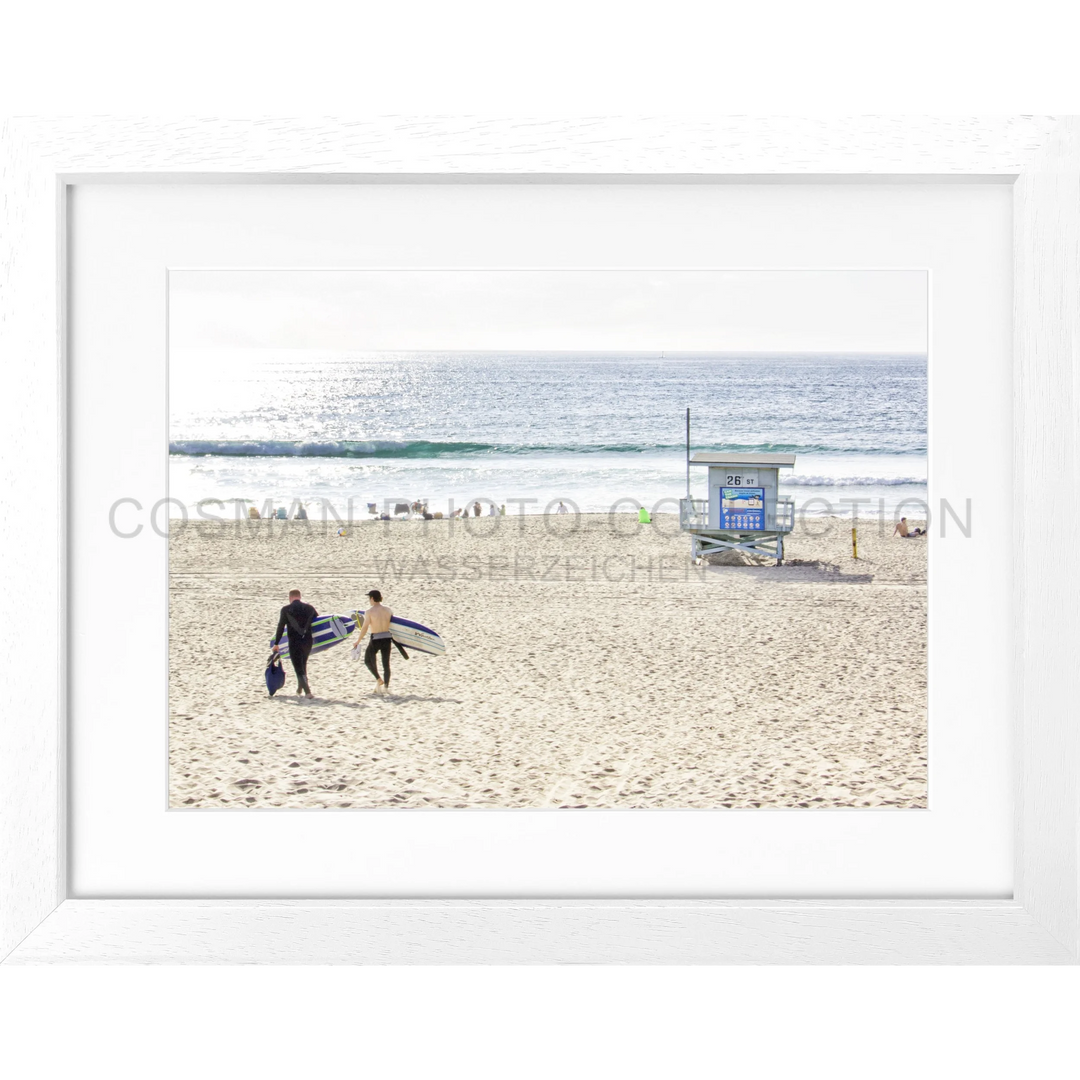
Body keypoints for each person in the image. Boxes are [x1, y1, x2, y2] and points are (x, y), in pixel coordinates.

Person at [271, 589, 318, 698]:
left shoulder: (286, 609)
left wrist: (276, 643)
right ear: (300, 597)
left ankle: (308, 692)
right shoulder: (310, 608)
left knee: (298, 667)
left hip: (294, 642)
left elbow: (281, 627)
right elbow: (318, 623)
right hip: (307, 641)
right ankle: (299, 688)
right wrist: (323, 643)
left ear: (290, 597)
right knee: (303, 664)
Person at [355, 589, 393, 694]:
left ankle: (378, 679)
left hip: (375, 639)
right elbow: (394, 625)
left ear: (372, 598)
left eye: (369, 598)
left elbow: (365, 627)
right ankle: (386, 686)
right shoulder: (388, 610)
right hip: (387, 638)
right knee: (386, 664)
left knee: (368, 660)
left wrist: (358, 640)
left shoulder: (369, 612)